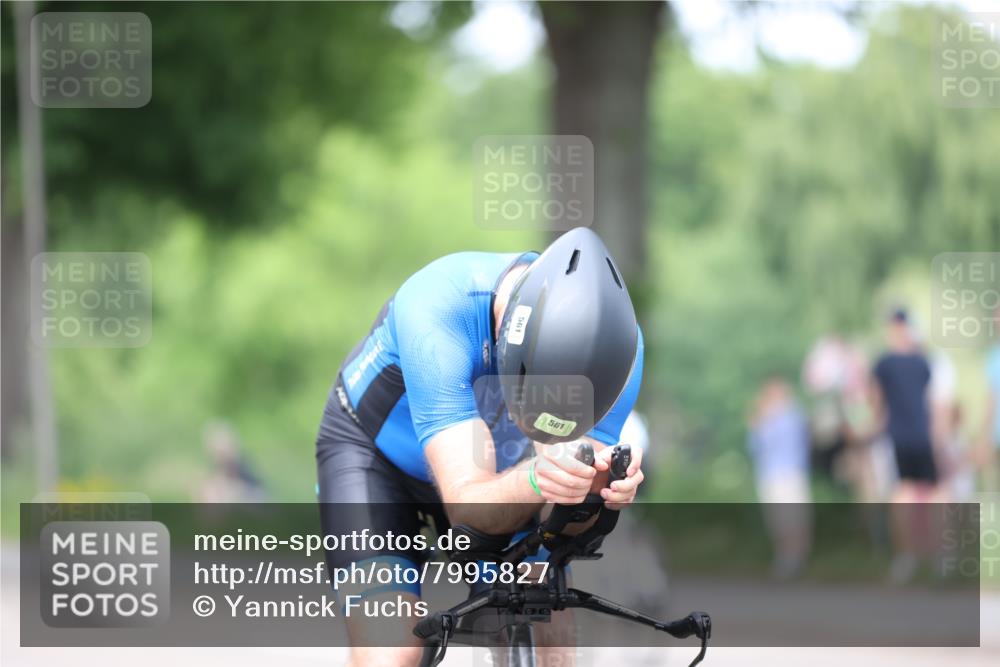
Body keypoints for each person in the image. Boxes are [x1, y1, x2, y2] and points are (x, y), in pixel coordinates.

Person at [315, 227, 645, 667]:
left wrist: (594, 491)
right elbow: (467, 508)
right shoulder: (438, 306)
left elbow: (561, 528)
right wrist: (537, 478)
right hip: (377, 461)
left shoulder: (619, 355)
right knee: (392, 652)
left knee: (552, 645)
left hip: (504, 475)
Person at [869, 308, 940, 583]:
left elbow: (876, 402)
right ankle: (928, 556)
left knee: (904, 496)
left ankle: (911, 556)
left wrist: (871, 428)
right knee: (923, 495)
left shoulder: (885, 363)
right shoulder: (923, 361)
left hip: (900, 436)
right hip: (917, 436)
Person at [746, 377, 812, 579]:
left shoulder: (792, 416)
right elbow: (755, 446)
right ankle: (785, 558)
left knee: (794, 518)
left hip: (789, 473)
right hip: (769, 474)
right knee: (777, 519)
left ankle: (796, 559)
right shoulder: (765, 418)